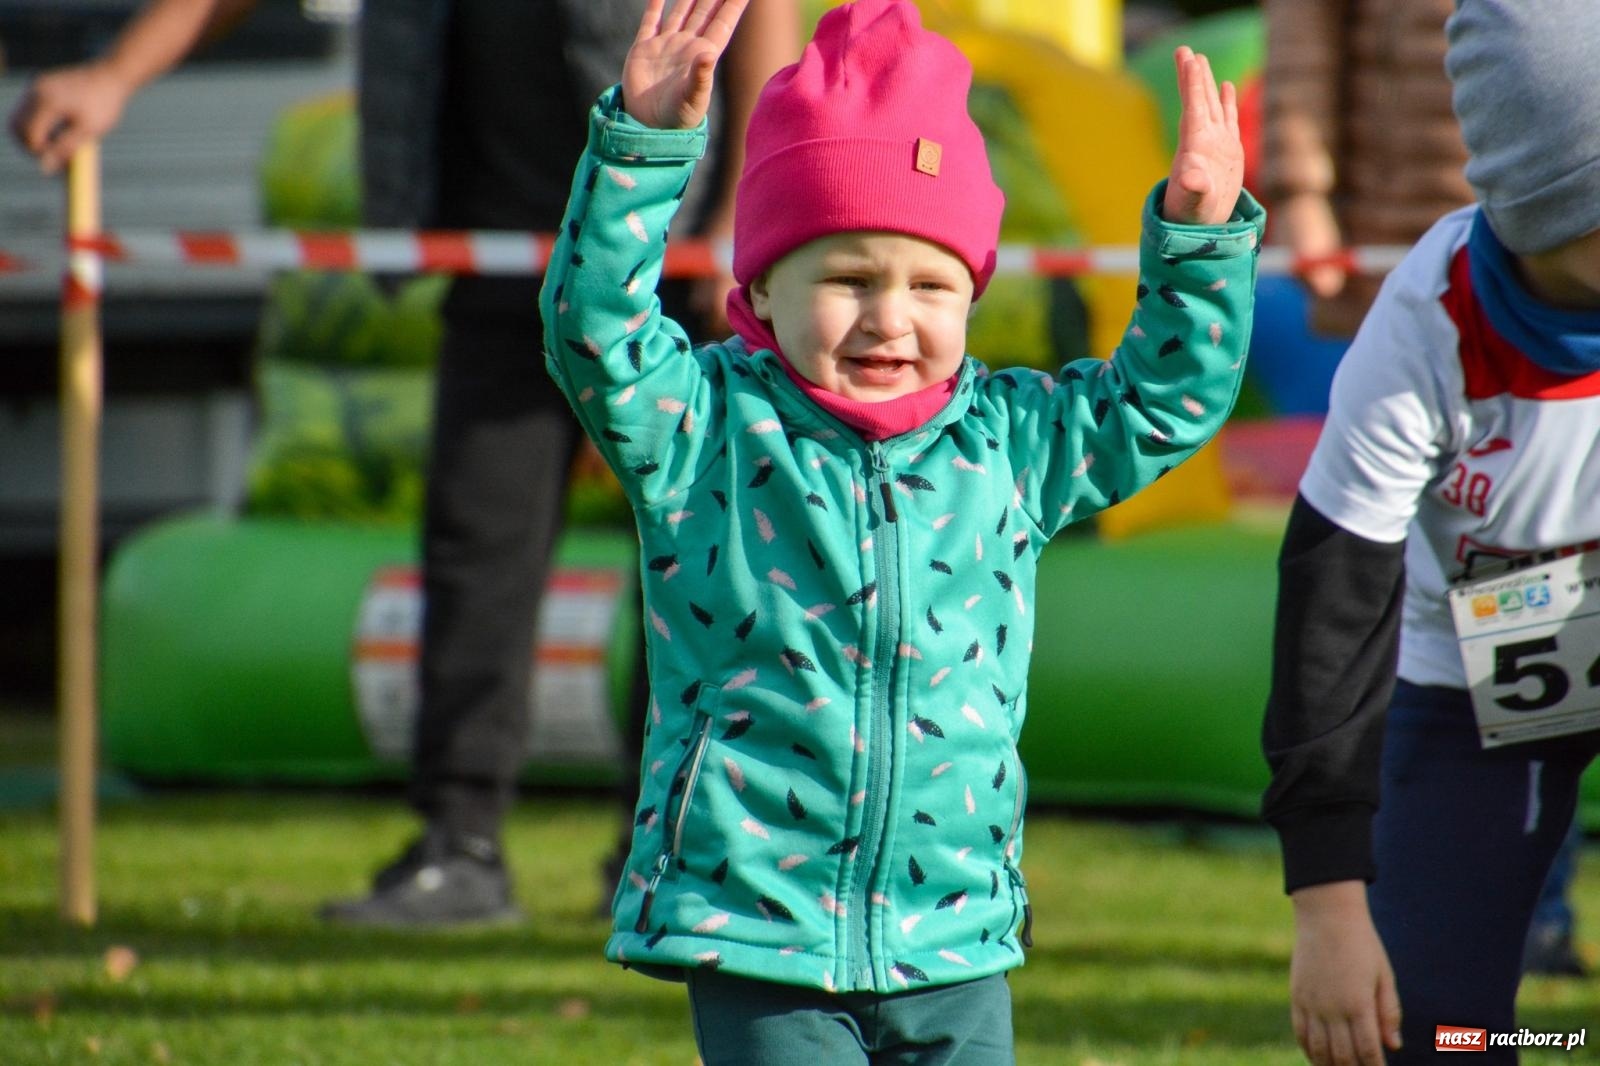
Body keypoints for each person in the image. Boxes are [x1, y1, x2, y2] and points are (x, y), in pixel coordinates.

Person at [542, 0, 1262, 1060]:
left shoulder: (1012, 442)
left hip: (955, 939)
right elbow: (594, 332)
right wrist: (644, 148)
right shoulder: (703, 431)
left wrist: (1199, 239)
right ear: (762, 288)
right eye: (847, 278)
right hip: (759, 935)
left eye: (932, 284)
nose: (890, 319)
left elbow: (1162, 401)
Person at [10, 0, 798, 927]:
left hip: (667, 255)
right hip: (501, 259)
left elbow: (760, 15)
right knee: (475, 552)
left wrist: (745, 204)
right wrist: (114, 75)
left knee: (693, 554)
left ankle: (672, 847)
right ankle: (458, 847)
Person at [1258, 0, 1600, 1061]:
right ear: (1542, 201)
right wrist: (1325, 901)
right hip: (1464, 676)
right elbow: (1329, 609)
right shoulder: (1423, 325)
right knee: (1443, 1038)